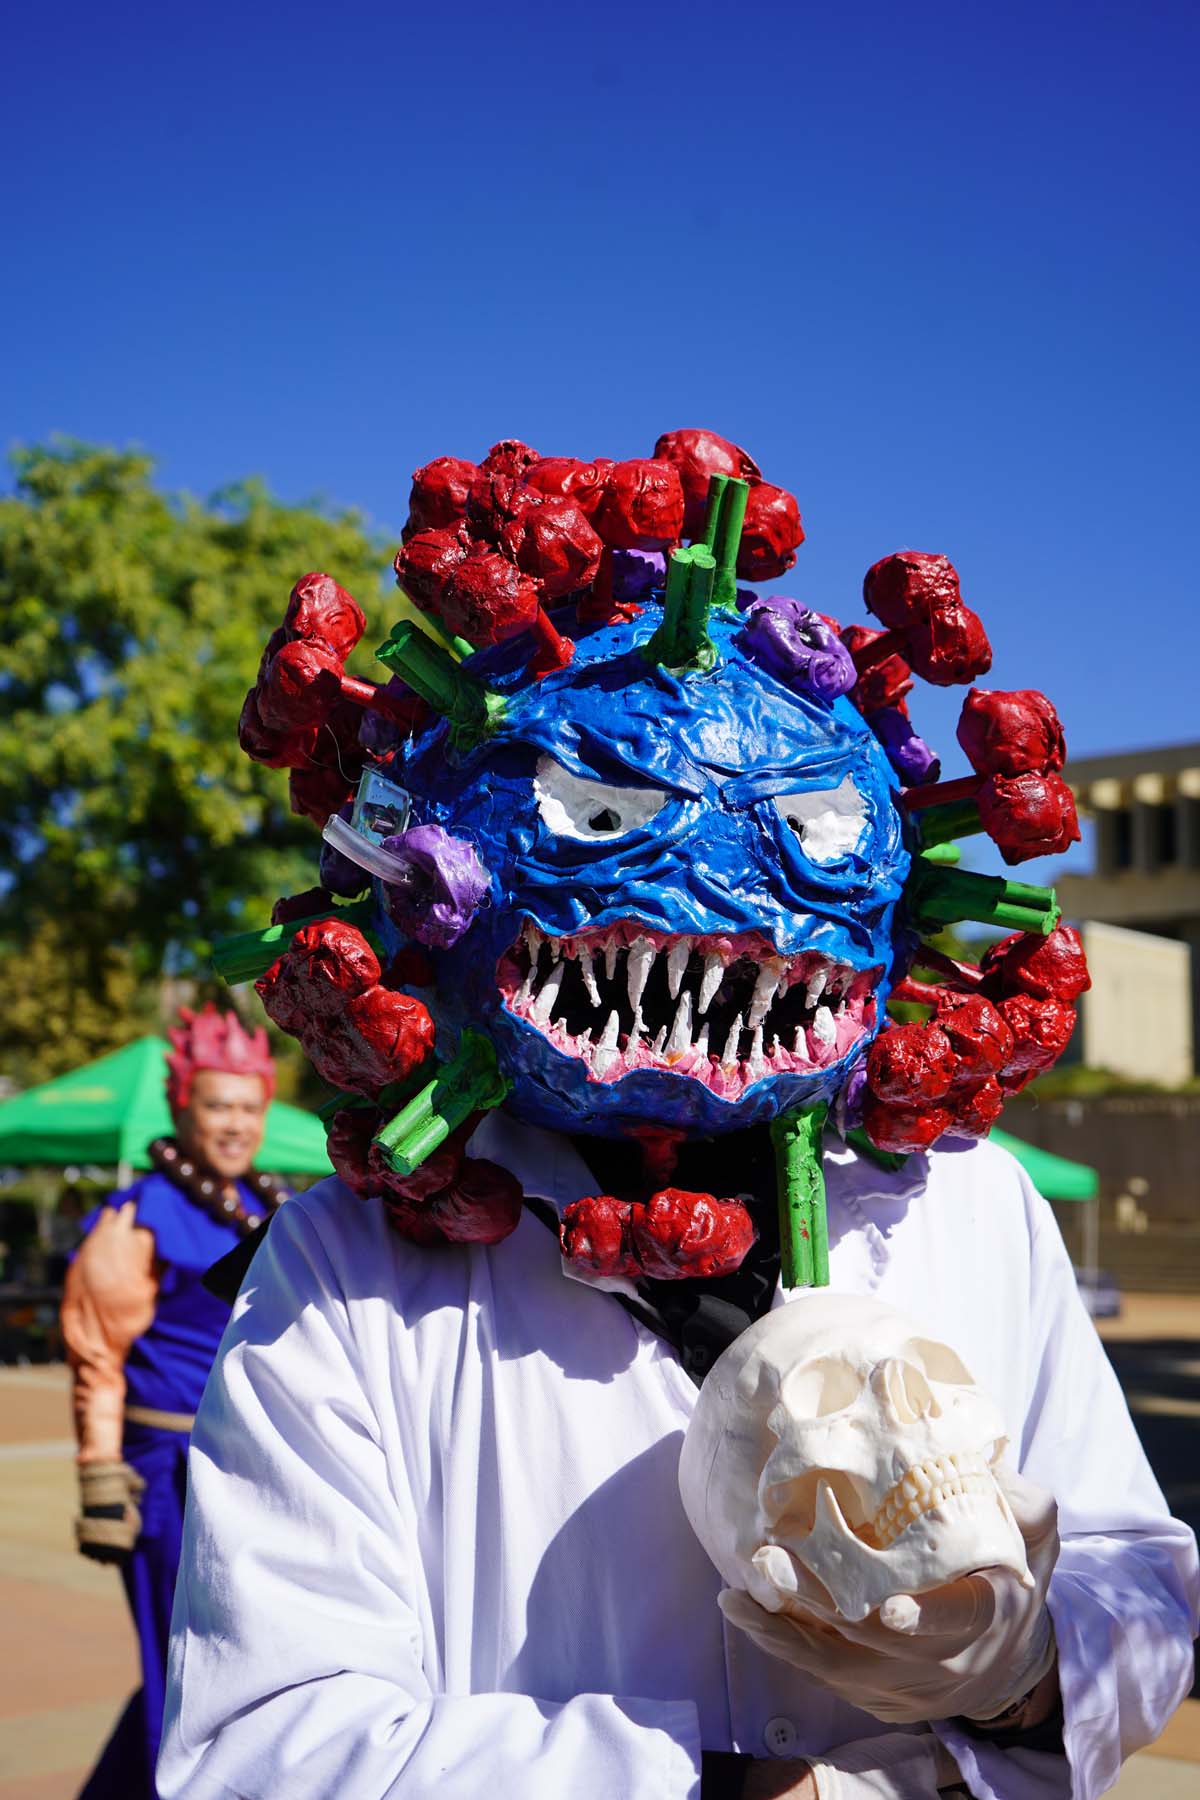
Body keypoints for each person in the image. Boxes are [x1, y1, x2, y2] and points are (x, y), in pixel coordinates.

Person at [158, 433, 1198, 1798]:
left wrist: (1021, 1669)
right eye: (599, 812)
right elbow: (263, 1748)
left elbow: (1139, 1579)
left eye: (818, 837)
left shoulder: (971, 1201)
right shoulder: (345, 1266)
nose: (723, 899)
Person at [61, 1004, 286, 1800]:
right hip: (164, 1470)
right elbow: (96, 1349)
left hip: (239, 1464)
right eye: (218, 1105)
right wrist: (97, 1470)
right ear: (184, 1109)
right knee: (179, 1667)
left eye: (250, 1106)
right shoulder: (138, 1217)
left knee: (209, 1659)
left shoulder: (267, 1206)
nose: (235, 1124)